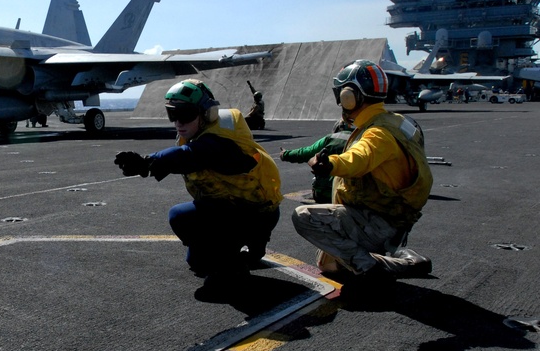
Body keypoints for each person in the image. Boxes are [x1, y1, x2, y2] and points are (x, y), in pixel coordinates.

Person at [114, 79, 282, 288]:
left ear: (206, 113)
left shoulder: (223, 141)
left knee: (181, 217)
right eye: (172, 114)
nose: (178, 122)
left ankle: (236, 263)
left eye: (185, 114)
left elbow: (194, 155)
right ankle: (247, 248)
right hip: (231, 208)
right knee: (197, 262)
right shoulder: (198, 136)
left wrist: (148, 162)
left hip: (256, 213)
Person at [291, 59, 433, 284]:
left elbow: (358, 158)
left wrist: (329, 164)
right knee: (328, 264)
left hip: (378, 221)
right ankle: (404, 260)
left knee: (303, 216)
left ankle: (370, 268)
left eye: (341, 95)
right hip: (391, 217)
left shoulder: (377, 133)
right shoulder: (397, 122)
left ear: (350, 96)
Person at [278, 119, 354, 203]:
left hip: (324, 192)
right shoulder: (359, 141)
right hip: (348, 194)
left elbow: (307, 152)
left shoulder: (330, 138)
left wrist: (285, 154)